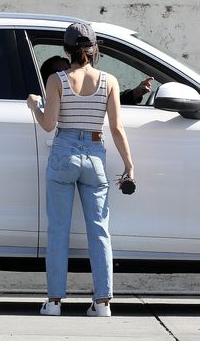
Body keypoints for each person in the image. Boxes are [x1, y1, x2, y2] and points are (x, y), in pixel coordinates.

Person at [27, 22, 134, 317]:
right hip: (95, 155)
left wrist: (34, 106)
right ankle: (102, 304)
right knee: (100, 231)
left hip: (64, 153)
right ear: (94, 48)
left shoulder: (57, 79)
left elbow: (49, 126)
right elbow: (116, 127)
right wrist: (129, 164)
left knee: (58, 230)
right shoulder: (109, 81)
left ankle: (54, 303)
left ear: (66, 49)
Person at [40, 56, 153, 103]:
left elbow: (104, 102)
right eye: (59, 73)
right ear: (48, 80)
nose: (65, 76)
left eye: (67, 71)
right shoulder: (45, 103)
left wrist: (134, 93)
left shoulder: (79, 95)